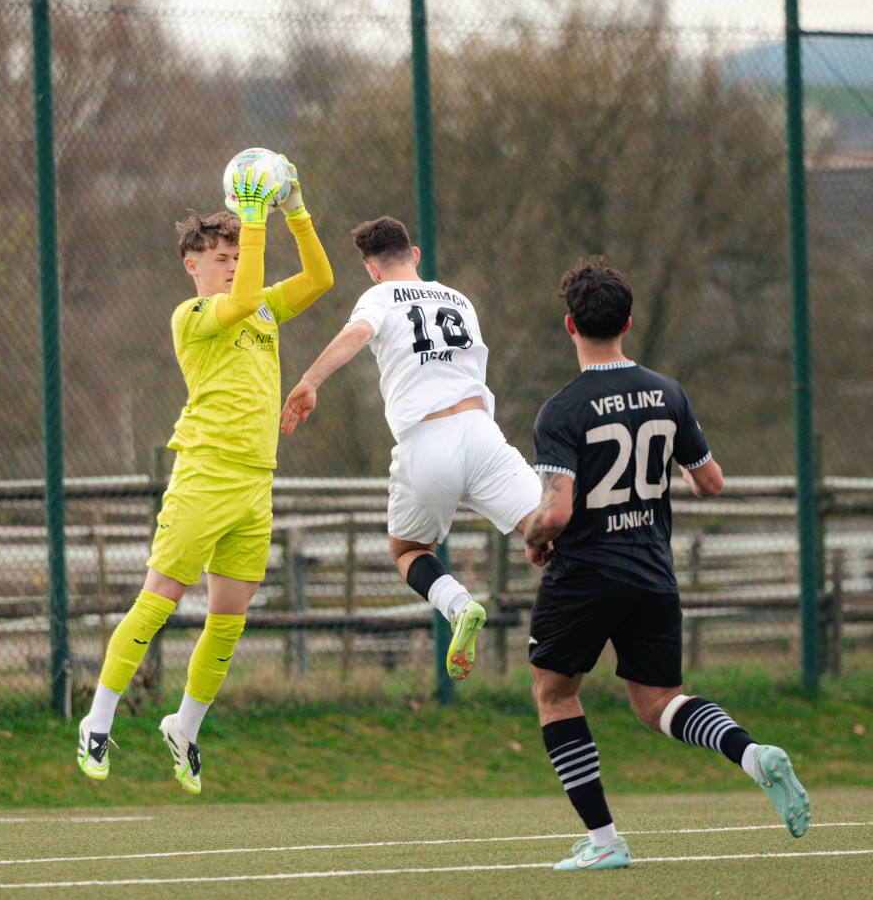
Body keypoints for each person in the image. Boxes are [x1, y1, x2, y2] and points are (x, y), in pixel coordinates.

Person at [524, 256, 810, 871]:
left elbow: (556, 512)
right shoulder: (668, 391)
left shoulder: (561, 410)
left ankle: (604, 843)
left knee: (554, 694)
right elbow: (710, 482)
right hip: (653, 571)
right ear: (628, 321)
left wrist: (532, 534)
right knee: (659, 704)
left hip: (587, 573)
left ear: (570, 326)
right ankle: (752, 754)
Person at [77, 155, 333, 794]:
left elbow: (322, 278)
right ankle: (97, 721)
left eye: (238, 254)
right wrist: (252, 217)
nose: (236, 263)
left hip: (255, 482)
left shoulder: (263, 310)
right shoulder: (193, 316)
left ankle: (184, 728)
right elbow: (242, 295)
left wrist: (293, 208)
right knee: (161, 596)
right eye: (223, 257)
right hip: (205, 473)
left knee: (230, 617)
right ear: (193, 266)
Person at [281, 216, 541, 680]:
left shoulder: (378, 297)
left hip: (427, 442)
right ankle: (607, 608)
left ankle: (458, 605)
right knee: (547, 530)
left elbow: (357, 334)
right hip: (482, 434)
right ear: (415, 255)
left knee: (408, 551)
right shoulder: (459, 299)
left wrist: (309, 380)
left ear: (372, 270)